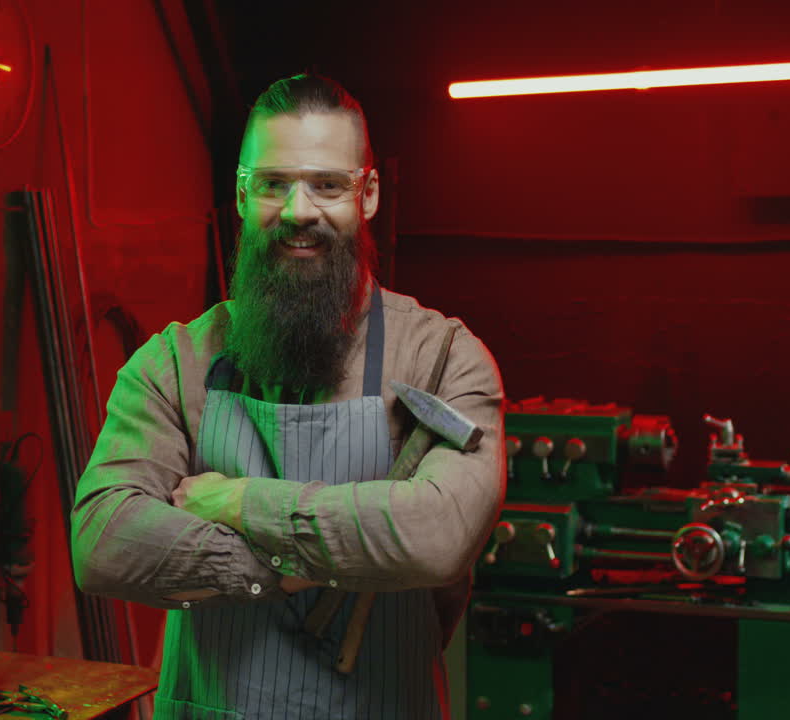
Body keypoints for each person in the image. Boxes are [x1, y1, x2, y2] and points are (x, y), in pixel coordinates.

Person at [71, 73, 505, 720]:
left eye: (327, 185)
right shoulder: (174, 363)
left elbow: (438, 534)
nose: (299, 210)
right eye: (274, 184)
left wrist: (241, 501)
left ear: (369, 194)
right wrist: (296, 564)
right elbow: (103, 540)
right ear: (242, 194)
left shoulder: (440, 358)